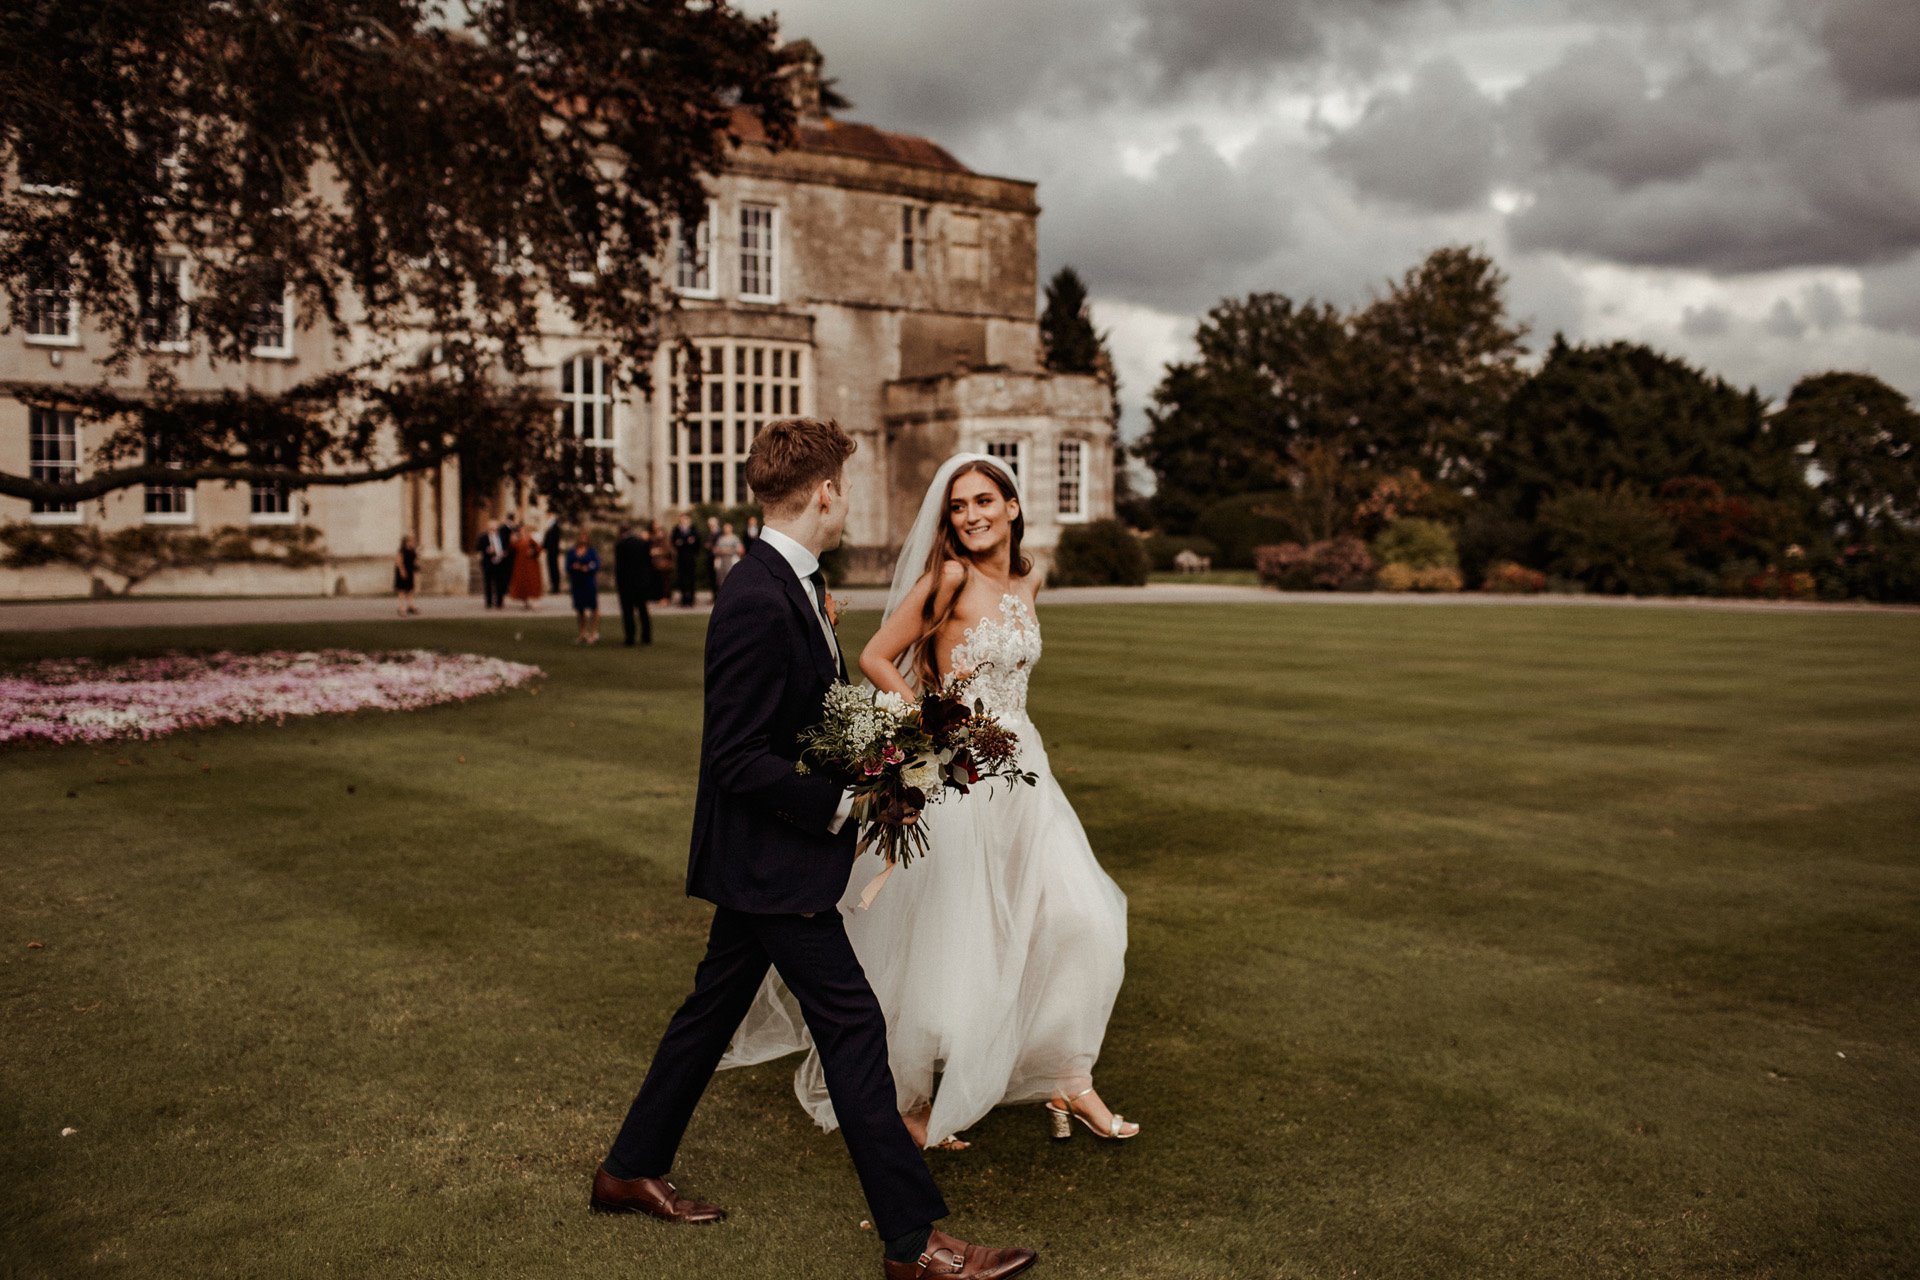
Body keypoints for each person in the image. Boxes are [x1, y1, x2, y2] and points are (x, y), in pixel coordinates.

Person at [594, 420, 1035, 1280]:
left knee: (708, 1014)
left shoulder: (790, 579)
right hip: (772, 862)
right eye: (846, 487)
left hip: (760, 860)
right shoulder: (758, 594)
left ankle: (627, 1169)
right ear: (826, 491)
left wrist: (877, 753)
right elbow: (733, 756)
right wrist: (843, 798)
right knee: (853, 1026)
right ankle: (917, 1245)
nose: (848, 500)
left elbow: (799, 720)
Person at [725, 453, 1136, 1153]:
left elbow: (1014, 679)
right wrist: (932, 728)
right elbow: (880, 655)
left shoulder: (1029, 576)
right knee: (956, 941)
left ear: (1011, 506)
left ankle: (1067, 1075)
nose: (971, 515)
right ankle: (915, 1104)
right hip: (962, 775)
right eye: (958, 506)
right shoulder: (949, 576)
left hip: (1024, 771)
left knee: (1077, 919)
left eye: (984, 501)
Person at [613, 523, 657, 646]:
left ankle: (630, 637)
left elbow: (619, 567)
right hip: (641, 583)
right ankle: (646, 637)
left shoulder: (620, 545)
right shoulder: (642, 543)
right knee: (643, 610)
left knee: (628, 612)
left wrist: (619, 583)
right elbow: (648, 563)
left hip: (627, 584)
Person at [566, 529, 601, 644]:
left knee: (593, 607)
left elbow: (596, 565)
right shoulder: (572, 551)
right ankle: (582, 633)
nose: (583, 539)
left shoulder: (591, 552)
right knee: (580, 609)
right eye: (581, 536)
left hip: (589, 581)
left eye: (585, 536)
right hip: (577, 582)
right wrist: (574, 567)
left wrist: (588, 568)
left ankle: (593, 632)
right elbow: (568, 566)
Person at [508, 519, 544, 609]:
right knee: (522, 582)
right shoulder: (519, 540)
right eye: (522, 531)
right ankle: (525, 601)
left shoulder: (531, 540)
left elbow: (539, 549)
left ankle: (532, 601)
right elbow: (512, 548)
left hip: (531, 565)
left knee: (532, 582)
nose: (523, 532)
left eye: (524, 531)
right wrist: (512, 541)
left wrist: (533, 552)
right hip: (520, 565)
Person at [476, 521, 510, 609]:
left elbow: (507, 547)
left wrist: (504, 553)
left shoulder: (502, 537)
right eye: (492, 527)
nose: (494, 529)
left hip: (500, 563)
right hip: (488, 563)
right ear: (488, 528)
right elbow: (479, 549)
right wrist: (487, 550)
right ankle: (489, 603)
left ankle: (499, 602)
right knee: (488, 584)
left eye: (495, 527)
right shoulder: (483, 538)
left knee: (500, 583)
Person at [670, 513, 702, 607]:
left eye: (686, 519)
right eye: (682, 519)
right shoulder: (676, 530)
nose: (684, 521)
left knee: (691, 578)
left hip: (691, 557)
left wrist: (684, 542)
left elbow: (697, 542)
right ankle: (684, 599)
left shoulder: (693, 530)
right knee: (682, 579)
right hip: (681, 558)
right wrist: (686, 542)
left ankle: (691, 599)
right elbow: (674, 542)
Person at [712, 521, 744, 591]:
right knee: (721, 580)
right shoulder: (720, 539)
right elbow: (715, 550)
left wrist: (727, 550)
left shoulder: (735, 538)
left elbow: (740, 550)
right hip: (722, 561)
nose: (726, 529)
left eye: (728, 528)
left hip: (732, 560)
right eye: (725, 528)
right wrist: (723, 551)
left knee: (732, 578)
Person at [393, 534, 419, 617]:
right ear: (406, 542)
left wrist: (416, 570)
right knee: (402, 590)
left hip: (410, 571)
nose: (412, 542)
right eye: (410, 541)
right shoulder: (402, 550)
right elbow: (398, 561)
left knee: (410, 590)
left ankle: (410, 606)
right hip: (403, 570)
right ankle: (401, 608)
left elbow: (415, 561)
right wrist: (402, 571)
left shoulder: (413, 550)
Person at [542, 513, 565, 594]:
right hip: (550, 551)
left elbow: (554, 540)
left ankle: (556, 587)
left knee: (554, 569)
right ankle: (554, 586)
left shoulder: (555, 527)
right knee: (551, 569)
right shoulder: (551, 526)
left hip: (553, 551)